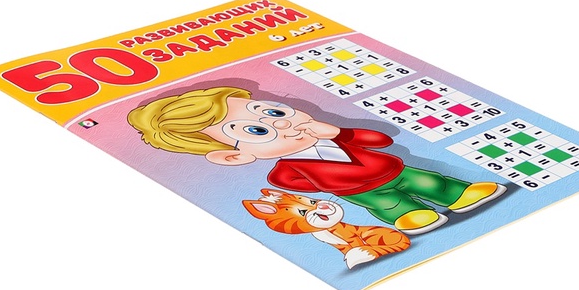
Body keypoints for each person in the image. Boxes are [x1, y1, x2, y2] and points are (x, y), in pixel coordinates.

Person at [128, 86, 506, 234]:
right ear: (234, 156)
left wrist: (339, 133)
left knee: (429, 181)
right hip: (363, 192)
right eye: (257, 130)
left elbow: (380, 139)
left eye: (273, 113)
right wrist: (324, 182)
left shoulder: (332, 135)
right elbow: (292, 182)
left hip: (396, 169)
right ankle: (407, 216)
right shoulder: (286, 169)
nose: (285, 124)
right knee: (390, 203)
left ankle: (459, 193)